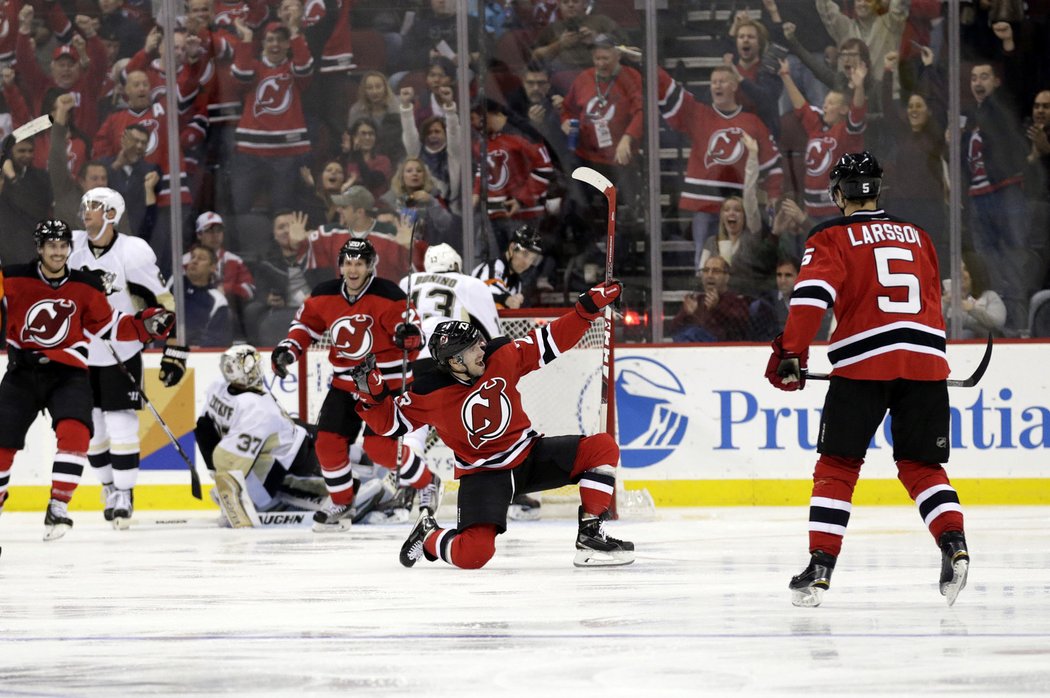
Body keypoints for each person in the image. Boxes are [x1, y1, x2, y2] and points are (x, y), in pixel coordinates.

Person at [764, 151, 968, 608]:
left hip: (863, 364)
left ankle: (821, 565)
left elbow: (812, 297)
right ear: (878, 189)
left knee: (837, 466)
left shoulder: (831, 235)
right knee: (922, 467)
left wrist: (791, 353)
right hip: (927, 362)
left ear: (838, 194)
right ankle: (953, 543)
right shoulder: (919, 235)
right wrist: (927, 362)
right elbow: (933, 302)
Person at [348, 280, 632, 569]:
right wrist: (372, 397)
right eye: (472, 349)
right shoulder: (428, 392)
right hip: (483, 475)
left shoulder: (502, 355)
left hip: (528, 454)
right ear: (455, 362)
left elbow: (551, 340)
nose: (481, 349)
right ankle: (429, 534)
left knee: (601, 447)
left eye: (479, 343)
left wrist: (585, 311)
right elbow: (390, 424)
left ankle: (590, 536)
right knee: (473, 555)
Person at [0, 219, 174, 540]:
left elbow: (109, 326)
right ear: (39, 249)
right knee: (2, 445)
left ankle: (59, 506)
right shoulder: (11, 279)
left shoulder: (85, 286)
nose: (58, 251)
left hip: (68, 375)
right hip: (22, 373)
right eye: (51, 245)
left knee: (77, 432)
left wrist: (143, 326)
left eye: (63, 245)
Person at [269, 238, 442, 532]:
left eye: (359, 263)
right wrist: (289, 348)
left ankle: (428, 482)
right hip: (346, 383)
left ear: (370, 266)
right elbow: (305, 325)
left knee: (379, 448)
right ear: (340, 265)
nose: (353, 269)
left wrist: (408, 337)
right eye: (348, 263)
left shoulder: (388, 295)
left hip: (384, 386)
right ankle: (342, 501)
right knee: (327, 442)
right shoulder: (324, 295)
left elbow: (413, 335)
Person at [68, 187, 188, 528]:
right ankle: (108, 487)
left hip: (121, 349)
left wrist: (175, 350)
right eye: (86, 204)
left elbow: (163, 301)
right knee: (90, 429)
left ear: (111, 214)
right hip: (79, 351)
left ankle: (124, 493)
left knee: (121, 423)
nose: (86, 210)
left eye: (94, 206)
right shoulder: (73, 245)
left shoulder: (133, 252)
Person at [195, 345, 410, 527]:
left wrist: (223, 483)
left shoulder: (220, 390)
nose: (256, 370)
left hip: (292, 445)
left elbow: (208, 432)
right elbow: (214, 439)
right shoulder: (251, 405)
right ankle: (381, 483)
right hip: (289, 447)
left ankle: (383, 489)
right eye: (250, 365)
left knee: (346, 463)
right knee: (341, 462)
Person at [403, 242, 541, 522]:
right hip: (451, 363)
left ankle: (408, 487)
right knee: (483, 423)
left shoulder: (406, 281)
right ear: (456, 265)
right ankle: (507, 487)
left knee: (412, 427)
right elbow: (493, 337)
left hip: (409, 361)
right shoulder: (469, 282)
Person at [671, 255, 751, 343]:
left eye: (716, 271)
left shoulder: (736, 301)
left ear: (727, 277)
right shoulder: (697, 300)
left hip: (724, 349)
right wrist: (686, 314)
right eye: (706, 271)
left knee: (693, 332)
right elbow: (674, 329)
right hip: (696, 348)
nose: (709, 275)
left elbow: (735, 331)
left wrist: (716, 308)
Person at [471, 225, 544, 309]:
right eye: (525, 254)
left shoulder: (517, 284)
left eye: (533, 259)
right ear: (512, 248)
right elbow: (483, 293)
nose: (527, 263)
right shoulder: (491, 267)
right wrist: (506, 299)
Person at [941, 256, 1006, 339]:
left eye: (965, 269)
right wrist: (944, 303)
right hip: (952, 347)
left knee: (967, 333)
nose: (960, 273)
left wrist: (972, 309)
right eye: (958, 269)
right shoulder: (949, 300)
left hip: (984, 346)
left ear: (975, 273)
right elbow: (933, 324)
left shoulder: (990, 296)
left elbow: (998, 322)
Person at [183, 244, 233, 348]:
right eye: (193, 257)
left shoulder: (218, 300)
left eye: (201, 258)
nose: (194, 261)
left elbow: (218, 339)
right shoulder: (172, 288)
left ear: (212, 268)